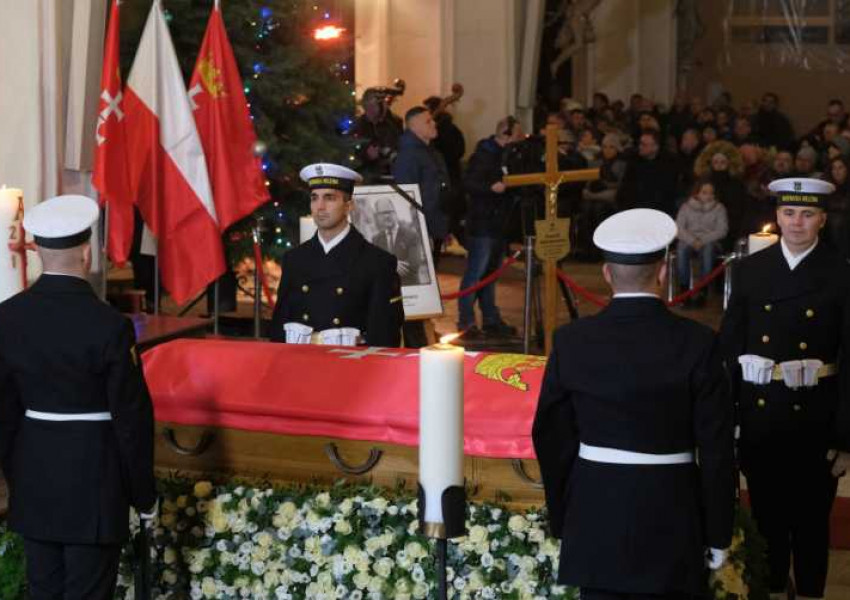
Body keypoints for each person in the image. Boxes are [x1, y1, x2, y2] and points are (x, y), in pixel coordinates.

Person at [533, 208, 735, 600]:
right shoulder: (698, 342)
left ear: (607, 274)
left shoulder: (572, 340)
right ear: (663, 272)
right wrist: (717, 532)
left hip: (595, 513)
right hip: (672, 513)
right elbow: (717, 450)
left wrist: (565, 520)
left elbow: (551, 436)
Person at [0, 195, 156, 600]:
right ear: (87, 253)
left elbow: (3, 412)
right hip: (93, 483)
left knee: (42, 590)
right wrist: (143, 495)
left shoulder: (7, 318)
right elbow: (131, 420)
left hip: (34, 480)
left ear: (36, 252)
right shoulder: (109, 326)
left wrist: (15, 477)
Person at [719, 178, 850, 600]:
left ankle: (810, 593)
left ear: (822, 220)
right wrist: (731, 420)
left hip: (817, 418)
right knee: (767, 519)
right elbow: (730, 349)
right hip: (762, 416)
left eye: (808, 214)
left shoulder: (840, 273)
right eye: (789, 213)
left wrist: (846, 437)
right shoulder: (750, 270)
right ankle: (772, 589)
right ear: (776, 217)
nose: (797, 222)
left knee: (812, 522)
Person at [270, 163, 404, 347]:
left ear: (349, 206)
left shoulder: (377, 263)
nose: (320, 207)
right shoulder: (295, 260)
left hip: (351, 368)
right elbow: (279, 329)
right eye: (314, 198)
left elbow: (383, 337)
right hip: (300, 364)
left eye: (330, 198)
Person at [457, 115, 523, 338]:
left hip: (497, 222)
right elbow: (468, 183)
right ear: (505, 133)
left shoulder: (507, 155)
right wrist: (490, 187)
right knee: (476, 272)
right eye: (517, 135)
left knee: (491, 274)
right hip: (482, 222)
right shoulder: (484, 155)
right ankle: (466, 322)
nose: (519, 139)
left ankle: (491, 319)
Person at [392, 106, 452, 266]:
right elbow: (406, 196)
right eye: (428, 121)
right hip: (421, 228)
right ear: (414, 127)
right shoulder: (409, 156)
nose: (434, 124)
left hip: (433, 223)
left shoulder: (430, 153)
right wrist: (420, 231)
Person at [675, 179, 729, 305]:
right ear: (697, 193)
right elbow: (679, 228)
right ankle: (684, 289)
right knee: (681, 249)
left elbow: (722, 230)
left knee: (708, 250)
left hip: (710, 241)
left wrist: (702, 240)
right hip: (689, 240)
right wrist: (693, 240)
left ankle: (702, 290)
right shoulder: (686, 207)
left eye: (711, 193)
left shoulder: (719, 208)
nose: (708, 196)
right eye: (704, 192)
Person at [617, 130, 679, 216]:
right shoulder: (634, 160)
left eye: (644, 144)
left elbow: (667, 192)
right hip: (635, 206)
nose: (640, 147)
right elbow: (626, 186)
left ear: (655, 147)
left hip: (659, 208)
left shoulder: (669, 163)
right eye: (640, 144)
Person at [349, 88, 403, 183]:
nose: (372, 110)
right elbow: (352, 155)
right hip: (369, 176)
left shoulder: (394, 123)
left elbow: (401, 144)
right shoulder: (359, 126)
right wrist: (367, 156)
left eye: (376, 105)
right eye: (369, 106)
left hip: (394, 173)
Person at [371, 197, 426, 287]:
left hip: (409, 288)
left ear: (395, 213)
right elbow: (372, 266)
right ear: (377, 217)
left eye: (389, 211)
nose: (386, 216)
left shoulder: (411, 235)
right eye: (382, 213)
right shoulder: (376, 239)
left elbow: (414, 265)